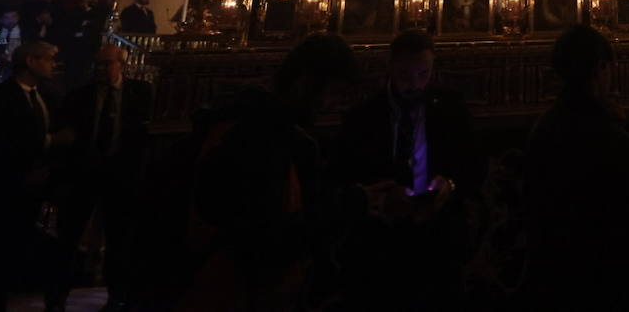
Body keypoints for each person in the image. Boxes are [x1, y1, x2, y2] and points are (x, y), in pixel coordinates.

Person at [170, 34, 361, 312]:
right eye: (333, 93)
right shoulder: (265, 136)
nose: (333, 105)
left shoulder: (244, 123)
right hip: (240, 288)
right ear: (307, 82)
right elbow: (272, 233)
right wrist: (352, 205)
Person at [336, 30, 478, 310]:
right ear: (389, 67)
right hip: (380, 239)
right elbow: (346, 172)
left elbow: (473, 162)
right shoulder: (362, 116)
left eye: (423, 74)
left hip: (439, 232)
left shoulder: (451, 109)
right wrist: (380, 196)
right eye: (405, 75)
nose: (414, 84)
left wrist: (450, 183)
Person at [524, 25, 629, 309]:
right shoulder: (610, 135)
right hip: (605, 270)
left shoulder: (545, 127)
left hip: (554, 267)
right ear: (600, 68)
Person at [49, 45, 153, 312]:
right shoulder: (78, 96)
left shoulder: (141, 94)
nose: (102, 69)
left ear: (122, 65)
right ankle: (57, 298)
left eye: (108, 64)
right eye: (98, 64)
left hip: (121, 177)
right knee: (68, 238)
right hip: (83, 175)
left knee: (119, 240)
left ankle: (116, 297)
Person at [0, 41, 68, 312]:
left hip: (32, 191)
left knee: (13, 252)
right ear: (30, 62)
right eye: (47, 59)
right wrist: (48, 141)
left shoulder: (47, 98)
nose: (53, 65)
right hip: (2, 188)